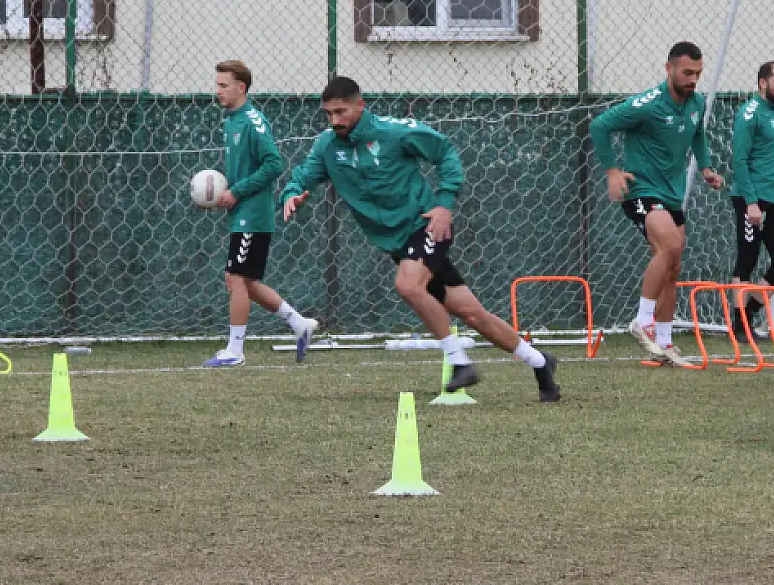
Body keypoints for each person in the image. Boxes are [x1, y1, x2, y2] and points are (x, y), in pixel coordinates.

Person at [280, 76, 561, 401]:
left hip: (428, 226)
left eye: (341, 111)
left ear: (361, 105)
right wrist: (293, 193)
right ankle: (541, 364)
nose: (335, 120)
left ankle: (459, 363)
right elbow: (304, 176)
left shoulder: (394, 133)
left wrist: (444, 205)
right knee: (472, 314)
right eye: (329, 114)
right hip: (398, 244)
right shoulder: (327, 146)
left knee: (408, 285)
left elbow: (445, 151)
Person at [589, 42, 724, 367]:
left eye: (698, 73)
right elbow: (599, 126)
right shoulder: (646, 104)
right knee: (671, 245)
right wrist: (611, 171)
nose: (693, 79)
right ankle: (643, 321)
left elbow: (697, 134)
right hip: (642, 191)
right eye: (687, 72)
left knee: (673, 264)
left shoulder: (696, 103)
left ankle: (665, 344)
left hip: (671, 195)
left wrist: (705, 167)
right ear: (669, 69)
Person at [203, 61, 320, 368]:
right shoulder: (231, 120)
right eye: (217, 85)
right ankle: (298, 324)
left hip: (253, 215)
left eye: (223, 85)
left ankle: (235, 351)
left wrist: (237, 191)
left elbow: (274, 165)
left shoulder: (253, 122)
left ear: (241, 87)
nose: (218, 91)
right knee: (245, 281)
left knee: (237, 278)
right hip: (242, 213)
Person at [729, 60, 774, 338]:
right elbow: (740, 160)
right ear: (762, 83)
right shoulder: (749, 114)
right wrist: (751, 203)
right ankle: (738, 326)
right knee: (747, 260)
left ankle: (748, 313)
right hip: (752, 199)